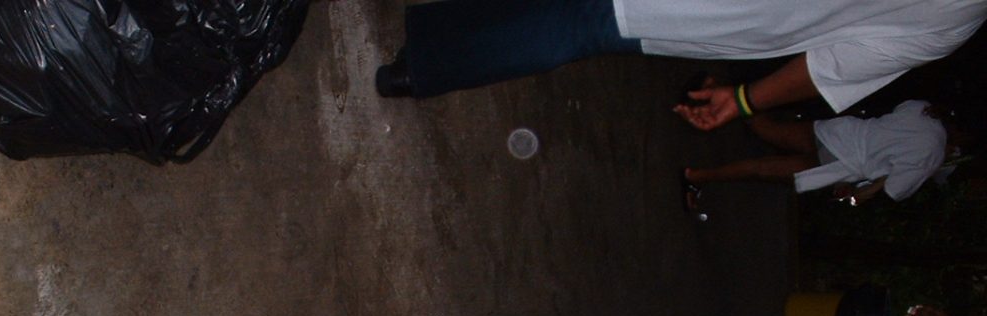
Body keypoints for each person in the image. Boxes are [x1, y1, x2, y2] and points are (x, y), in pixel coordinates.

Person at [374, 0, 987, 134]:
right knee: (581, 23)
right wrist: (742, 101)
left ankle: (427, 54)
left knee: (577, 20)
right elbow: (838, 62)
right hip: (728, 18)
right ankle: (424, 53)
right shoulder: (956, 17)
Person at [682, 99, 972, 213]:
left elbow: (894, 114)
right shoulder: (932, 155)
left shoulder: (923, 110)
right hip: (841, 161)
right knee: (763, 169)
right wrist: (856, 194)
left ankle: (715, 93)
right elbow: (891, 188)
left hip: (841, 131)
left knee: (768, 130)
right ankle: (698, 176)